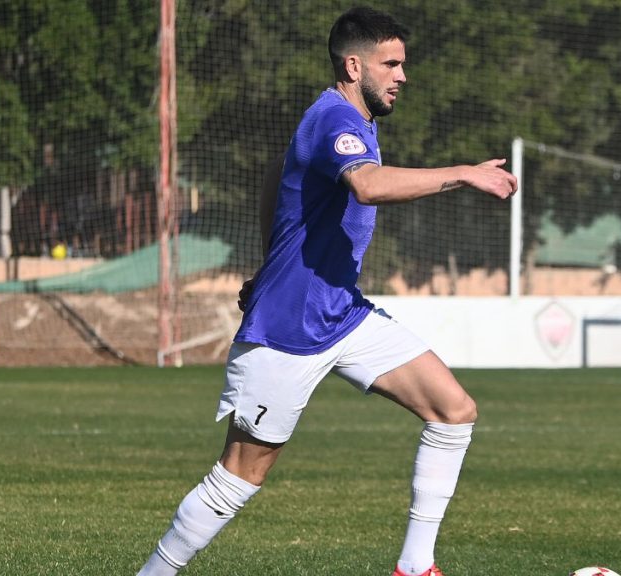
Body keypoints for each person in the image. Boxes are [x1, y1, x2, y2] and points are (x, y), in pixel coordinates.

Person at [136, 6, 517, 576]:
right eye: (391, 64)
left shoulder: (353, 123)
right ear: (353, 64)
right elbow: (366, 187)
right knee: (239, 476)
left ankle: (415, 567)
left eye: (403, 64)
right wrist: (460, 172)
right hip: (288, 330)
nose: (402, 76)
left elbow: (277, 173)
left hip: (342, 313)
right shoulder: (334, 118)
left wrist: (269, 262)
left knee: (453, 410)